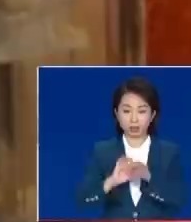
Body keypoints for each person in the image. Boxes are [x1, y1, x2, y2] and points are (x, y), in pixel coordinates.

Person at [77, 77, 185, 218]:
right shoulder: (102, 151)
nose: (134, 119)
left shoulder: (168, 152)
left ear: (152, 115)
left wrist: (149, 178)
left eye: (141, 111)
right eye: (127, 111)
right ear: (117, 114)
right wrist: (111, 181)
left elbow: (179, 200)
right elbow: (83, 199)